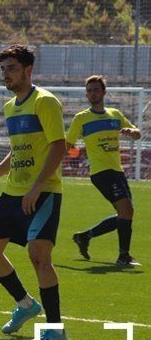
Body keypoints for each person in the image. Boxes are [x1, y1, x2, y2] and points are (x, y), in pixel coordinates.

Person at [0, 45, 67, 340]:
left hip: (44, 191)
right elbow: (17, 152)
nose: (5, 75)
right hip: (13, 191)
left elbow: (59, 146)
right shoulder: (10, 106)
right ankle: (25, 304)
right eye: (3, 69)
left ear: (28, 70)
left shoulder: (46, 102)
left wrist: (37, 186)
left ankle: (55, 328)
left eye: (11, 68)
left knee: (39, 256)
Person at [68, 75, 141, 266]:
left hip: (116, 171)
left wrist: (131, 132)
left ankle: (85, 236)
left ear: (103, 92)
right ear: (86, 94)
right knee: (127, 210)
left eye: (96, 89)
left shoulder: (115, 115)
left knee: (126, 213)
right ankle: (123, 256)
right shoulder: (81, 118)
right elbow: (68, 144)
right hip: (101, 172)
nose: (92, 93)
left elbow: (137, 133)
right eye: (89, 90)